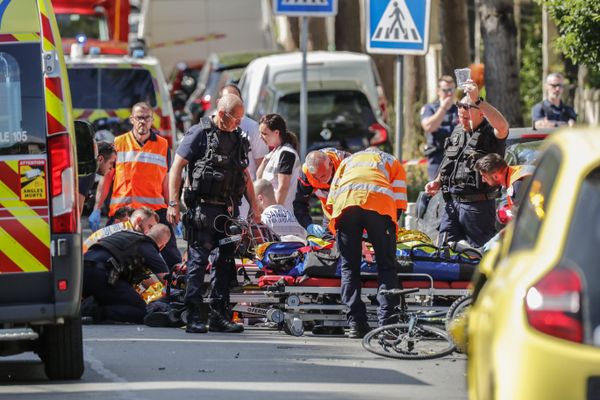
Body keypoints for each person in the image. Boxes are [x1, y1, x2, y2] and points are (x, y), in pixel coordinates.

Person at [167, 93, 260, 334]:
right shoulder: (199, 134)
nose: (239, 124)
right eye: (236, 119)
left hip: (228, 212)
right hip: (202, 210)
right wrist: (173, 203)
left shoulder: (238, 138)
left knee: (225, 263)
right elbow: (177, 167)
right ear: (221, 114)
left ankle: (220, 316)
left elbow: (245, 175)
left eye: (241, 119)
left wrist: (255, 207)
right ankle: (195, 316)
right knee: (197, 264)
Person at [325, 148, 408, 339]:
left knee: (349, 267)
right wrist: (387, 230)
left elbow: (332, 198)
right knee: (386, 265)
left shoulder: (348, 161)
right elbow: (400, 200)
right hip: (379, 206)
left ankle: (356, 324)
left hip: (345, 206)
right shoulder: (392, 161)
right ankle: (386, 324)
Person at [93, 102, 181, 269]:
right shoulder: (118, 143)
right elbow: (106, 179)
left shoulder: (162, 146)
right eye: (139, 118)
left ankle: (176, 286)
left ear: (152, 120)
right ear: (132, 120)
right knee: (106, 251)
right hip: (124, 211)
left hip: (154, 211)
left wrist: (172, 208)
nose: (143, 122)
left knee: (170, 254)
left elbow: (166, 181)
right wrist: (97, 208)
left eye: (147, 118)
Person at [425, 79, 510, 248]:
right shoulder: (458, 131)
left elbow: (503, 126)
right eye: (460, 117)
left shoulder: (491, 133)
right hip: (451, 204)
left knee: (481, 253)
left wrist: (478, 101)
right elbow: (450, 161)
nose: (462, 121)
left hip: (478, 207)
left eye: (466, 117)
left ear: (481, 114)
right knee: (445, 251)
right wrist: (437, 181)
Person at [82, 224, 171, 324]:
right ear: (162, 246)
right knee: (141, 311)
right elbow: (167, 280)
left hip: (82, 270)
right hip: (102, 275)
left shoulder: (123, 234)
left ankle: (87, 306)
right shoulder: (149, 247)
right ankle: (90, 311)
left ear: (148, 232)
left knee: (120, 295)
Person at [219, 84, 269, 219]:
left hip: (243, 197)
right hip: (216, 196)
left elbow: (261, 165)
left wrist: (257, 200)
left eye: (235, 98)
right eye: (227, 98)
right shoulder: (209, 125)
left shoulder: (252, 128)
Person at [293, 148, 351, 238]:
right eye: (315, 177)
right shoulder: (306, 174)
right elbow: (299, 203)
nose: (320, 180)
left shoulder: (347, 162)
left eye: (323, 175)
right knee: (328, 245)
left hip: (354, 213)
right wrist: (308, 224)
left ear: (331, 164)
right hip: (330, 215)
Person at [256, 113, 300, 213]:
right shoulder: (275, 153)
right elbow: (259, 179)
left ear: (276, 133)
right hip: (270, 215)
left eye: (264, 133)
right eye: (260, 133)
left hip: (282, 217)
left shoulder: (286, 153)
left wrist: (275, 214)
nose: (260, 137)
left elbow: (283, 188)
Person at [420, 76, 459, 180]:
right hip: (437, 159)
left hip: (457, 158)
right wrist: (443, 108)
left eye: (451, 90)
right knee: (435, 192)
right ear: (438, 91)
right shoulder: (430, 108)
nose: (449, 93)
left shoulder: (459, 109)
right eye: (445, 90)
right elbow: (429, 127)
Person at [83, 206, 159, 253]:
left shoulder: (124, 229)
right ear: (138, 221)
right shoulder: (127, 234)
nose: (151, 231)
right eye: (150, 227)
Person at [80, 142, 117, 219]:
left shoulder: (83, 168)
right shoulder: (88, 174)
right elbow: (78, 207)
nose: (111, 168)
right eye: (111, 163)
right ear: (100, 159)